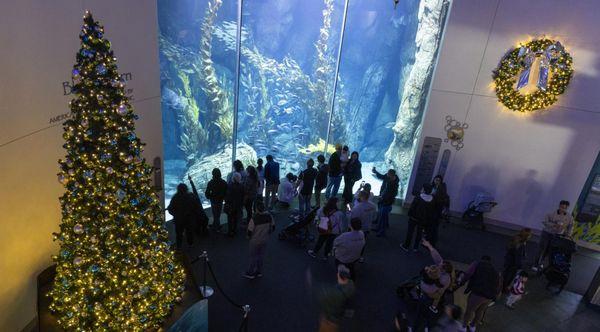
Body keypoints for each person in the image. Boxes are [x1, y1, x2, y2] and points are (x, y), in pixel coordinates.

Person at [460, 255, 502, 332]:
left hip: (478, 293)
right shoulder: (495, 270)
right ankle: (473, 327)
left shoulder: (477, 264)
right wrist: (495, 296)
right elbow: (499, 284)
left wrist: (461, 282)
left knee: (469, 311)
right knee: (480, 311)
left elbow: (468, 274)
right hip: (489, 296)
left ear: (482, 259)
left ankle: (464, 327)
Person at [533, 200, 574, 271]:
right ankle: (535, 264)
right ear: (559, 206)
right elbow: (544, 222)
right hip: (547, 233)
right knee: (541, 249)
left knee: (549, 251)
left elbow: (571, 226)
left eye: (565, 208)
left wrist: (568, 234)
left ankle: (541, 263)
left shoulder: (569, 217)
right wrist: (554, 225)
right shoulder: (551, 213)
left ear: (567, 208)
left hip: (557, 236)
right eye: (562, 207)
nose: (563, 209)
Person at [317, 265, 355, 332]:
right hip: (338, 316)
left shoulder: (334, 292)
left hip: (330, 320)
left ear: (338, 275)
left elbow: (324, 299)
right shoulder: (351, 284)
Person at [244, 202, 275, 279]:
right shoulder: (269, 216)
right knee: (261, 256)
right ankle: (258, 271)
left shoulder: (254, 218)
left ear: (256, 209)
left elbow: (250, 231)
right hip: (264, 240)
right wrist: (268, 232)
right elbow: (273, 227)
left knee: (253, 257)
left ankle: (250, 273)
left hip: (254, 241)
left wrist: (248, 237)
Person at [402, 183, 436, 251]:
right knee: (419, 233)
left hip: (414, 218)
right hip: (423, 220)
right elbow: (431, 211)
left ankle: (406, 246)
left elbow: (412, 207)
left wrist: (409, 215)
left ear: (423, 189)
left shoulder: (418, 197)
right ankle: (415, 247)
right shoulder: (432, 200)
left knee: (410, 232)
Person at [350, 190, 377, 262]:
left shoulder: (357, 207)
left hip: (358, 228)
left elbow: (353, 219)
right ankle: (360, 256)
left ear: (361, 197)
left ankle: (351, 255)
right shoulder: (373, 206)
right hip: (367, 227)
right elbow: (374, 217)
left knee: (354, 241)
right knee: (362, 242)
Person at [373, 167, 399, 237]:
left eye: (388, 174)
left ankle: (381, 231)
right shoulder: (390, 178)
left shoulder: (394, 184)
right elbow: (382, 176)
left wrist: (382, 197)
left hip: (386, 201)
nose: (386, 175)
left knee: (383, 216)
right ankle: (380, 227)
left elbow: (391, 194)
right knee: (383, 214)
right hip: (383, 199)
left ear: (391, 175)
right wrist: (376, 172)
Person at [167, 183, 195, 249]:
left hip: (178, 220)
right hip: (188, 219)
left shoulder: (175, 197)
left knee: (179, 234)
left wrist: (176, 214)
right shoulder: (190, 197)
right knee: (189, 232)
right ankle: (190, 244)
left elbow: (170, 209)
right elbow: (194, 207)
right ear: (186, 189)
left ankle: (179, 247)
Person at [430, 175, 450, 246]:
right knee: (432, 225)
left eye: (438, 180)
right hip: (432, 208)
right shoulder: (434, 187)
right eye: (436, 179)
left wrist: (433, 197)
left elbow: (440, 199)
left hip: (437, 210)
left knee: (434, 226)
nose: (436, 181)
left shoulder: (441, 189)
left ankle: (432, 243)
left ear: (441, 181)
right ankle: (430, 240)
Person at [224, 172, 244, 237]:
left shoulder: (230, 186)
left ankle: (230, 232)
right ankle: (235, 230)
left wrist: (226, 202)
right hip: (238, 206)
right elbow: (242, 195)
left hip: (231, 206)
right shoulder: (241, 186)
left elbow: (227, 196)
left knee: (230, 219)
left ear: (233, 178)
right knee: (235, 219)